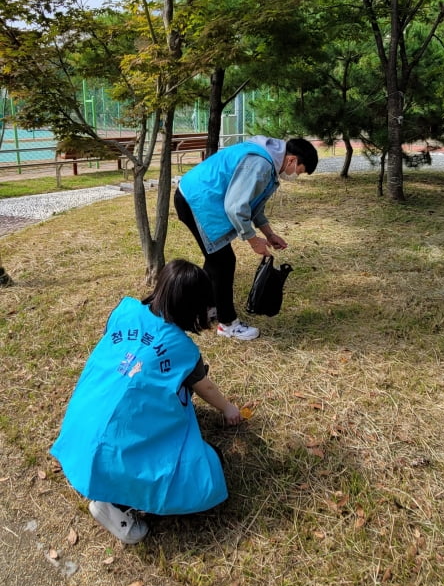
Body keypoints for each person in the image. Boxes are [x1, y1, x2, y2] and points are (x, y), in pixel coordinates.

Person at [50, 260, 241, 544]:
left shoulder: (124, 310)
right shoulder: (183, 350)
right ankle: (117, 508)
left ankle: (107, 484)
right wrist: (228, 409)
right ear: (195, 307)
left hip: (80, 430)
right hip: (115, 451)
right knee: (210, 464)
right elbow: (206, 387)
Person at [174, 136, 318, 341]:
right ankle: (227, 323)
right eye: (299, 171)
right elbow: (236, 207)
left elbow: (253, 205)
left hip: (199, 198)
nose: (295, 175)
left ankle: (204, 308)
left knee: (216, 259)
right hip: (197, 200)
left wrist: (269, 234)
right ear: (292, 160)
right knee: (223, 261)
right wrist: (253, 240)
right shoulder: (260, 164)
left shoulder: (268, 159)